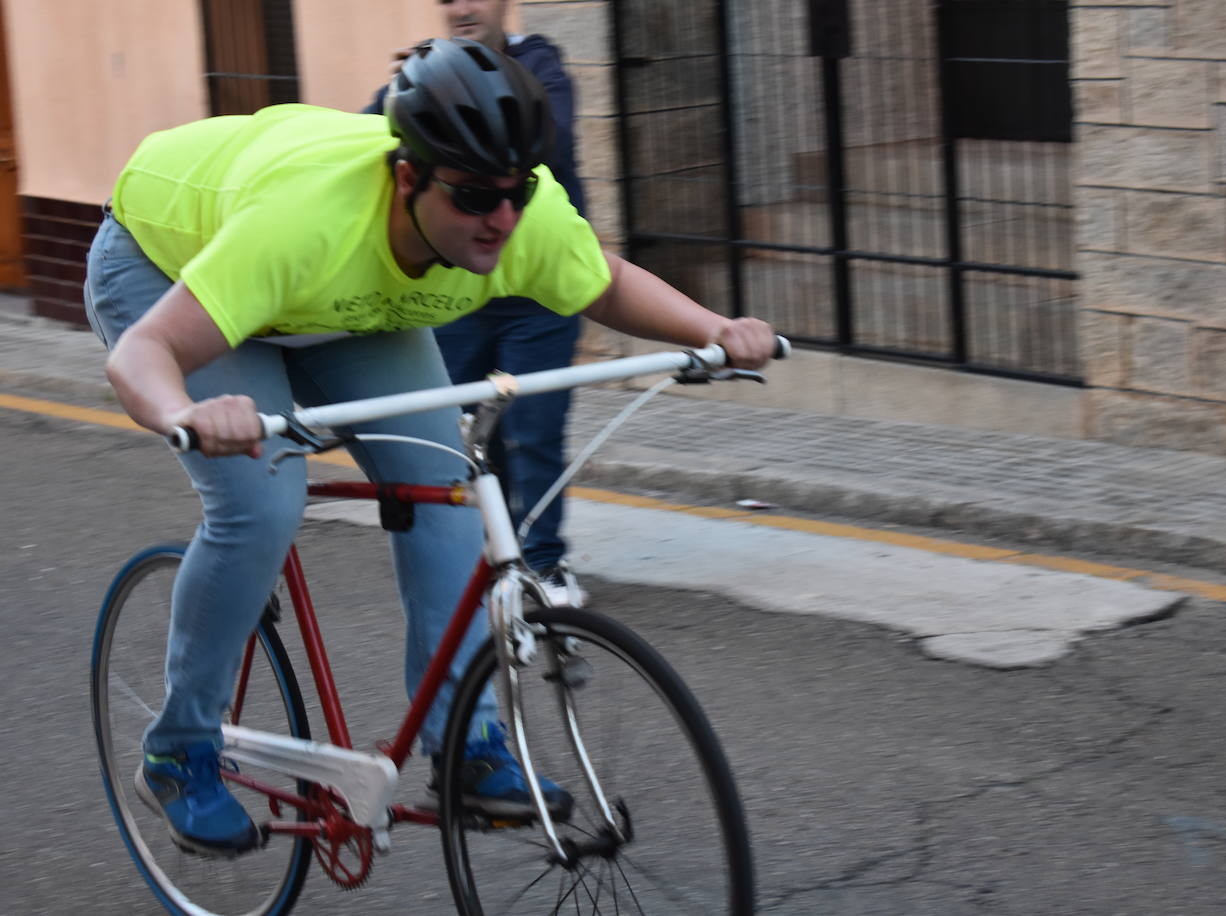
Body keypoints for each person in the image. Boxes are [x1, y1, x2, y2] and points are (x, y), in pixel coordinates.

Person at [85, 37, 774, 857]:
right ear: (408, 178)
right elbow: (141, 357)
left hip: (345, 303)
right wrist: (187, 412)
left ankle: (468, 746)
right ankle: (179, 747)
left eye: (516, 192)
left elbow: (603, 281)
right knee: (263, 501)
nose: (503, 220)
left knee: (449, 496)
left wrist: (714, 330)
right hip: (169, 264)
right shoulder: (304, 225)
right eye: (478, 196)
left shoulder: (515, 217)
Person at [363, 0, 588, 607]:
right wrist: (408, 97)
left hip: (533, 289)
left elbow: (553, 141)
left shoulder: (539, 64)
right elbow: (361, 147)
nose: (461, 7)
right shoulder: (428, 74)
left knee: (533, 429)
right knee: (465, 435)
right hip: (455, 288)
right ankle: (498, 557)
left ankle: (543, 564)